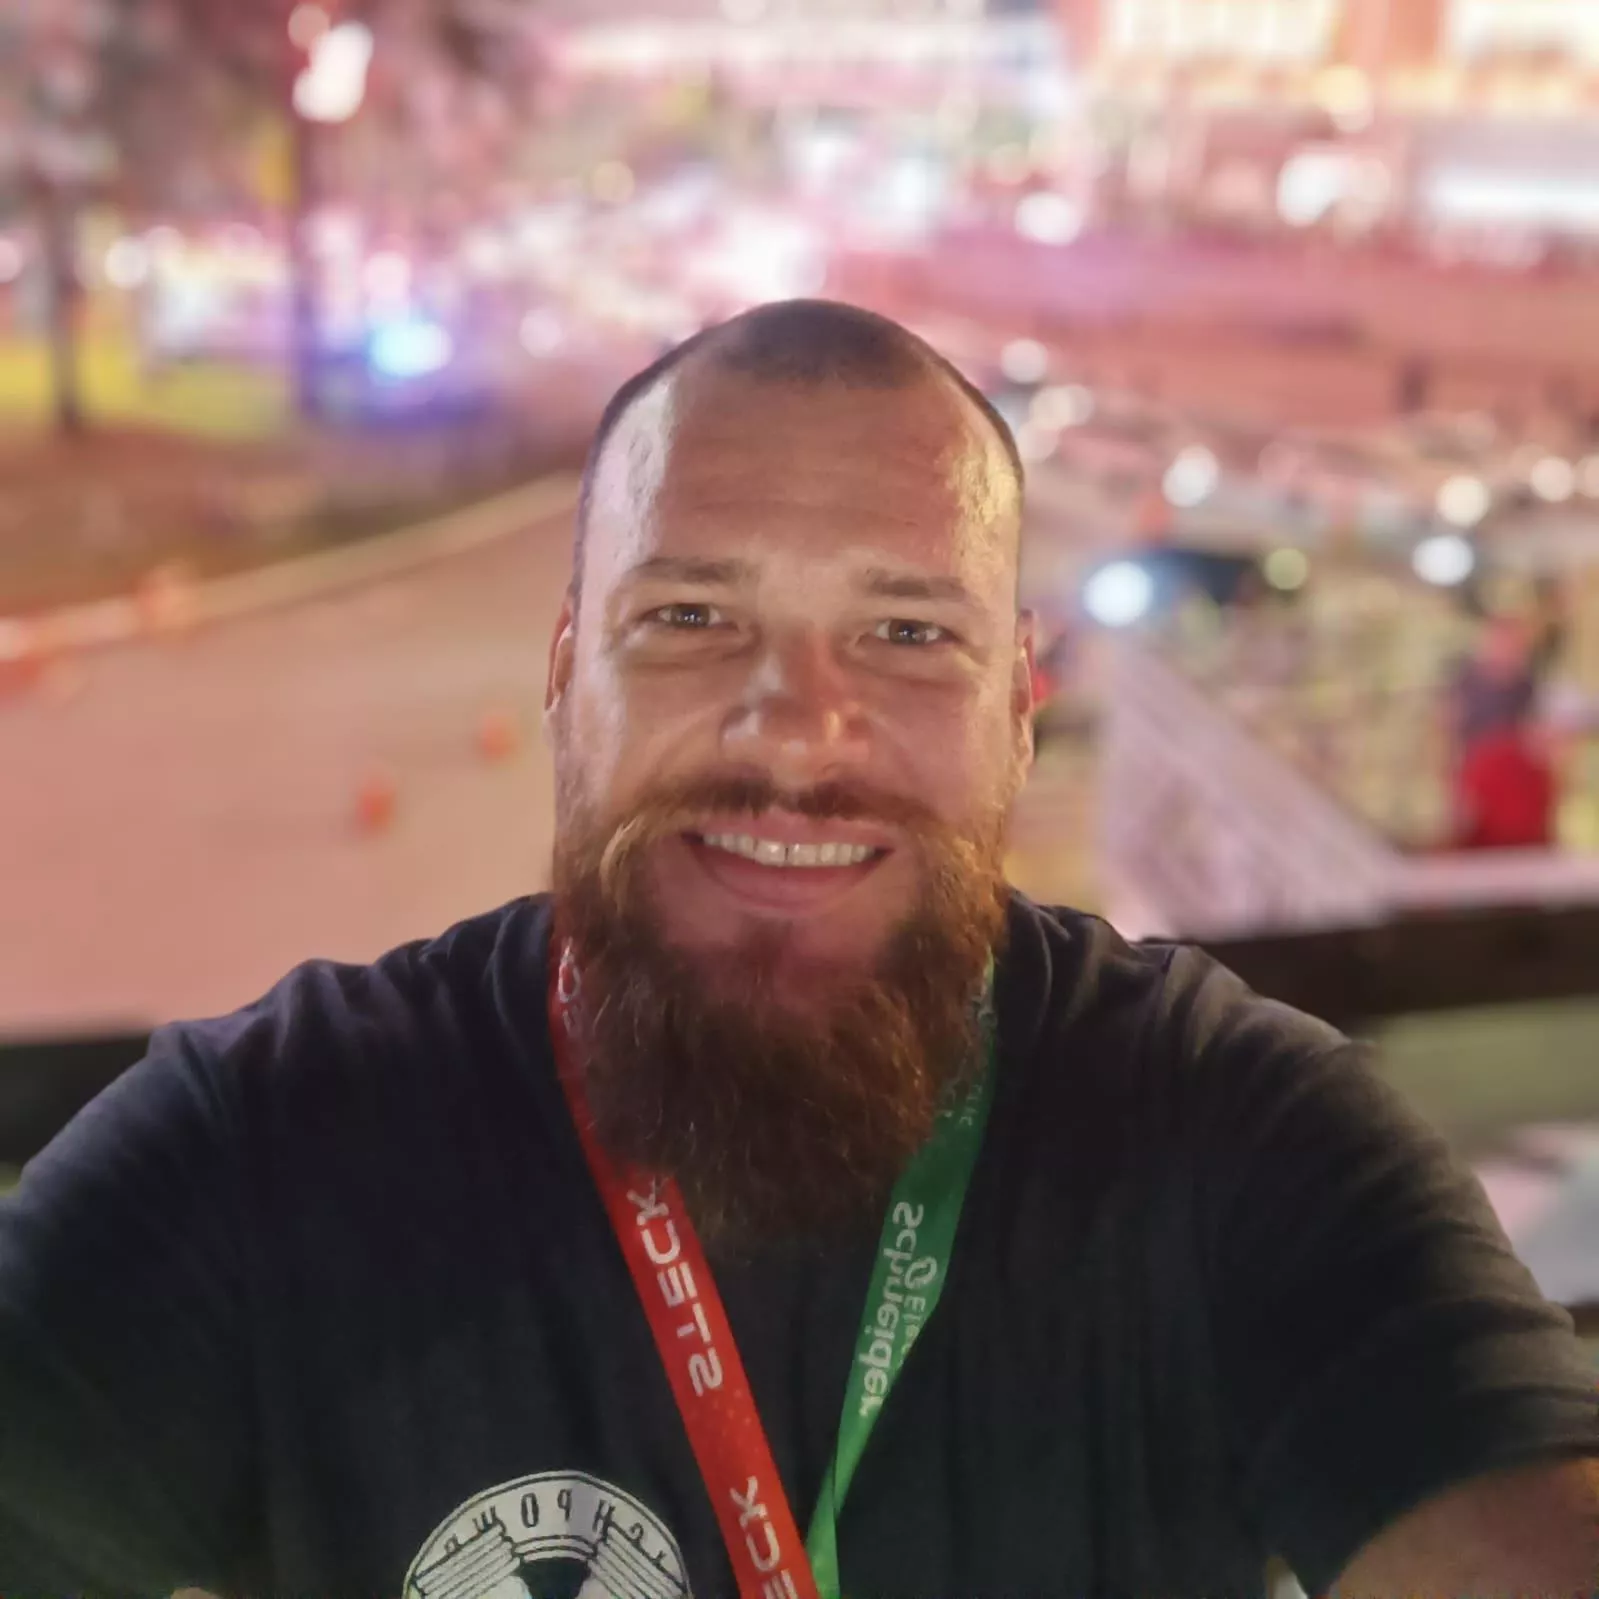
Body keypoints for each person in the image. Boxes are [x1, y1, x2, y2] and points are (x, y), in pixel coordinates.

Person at [2, 301, 1596, 1599]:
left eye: (907, 634)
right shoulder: (263, 1153)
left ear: (1018, 711)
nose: (795, 731)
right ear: (564, 676)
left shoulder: (1238, 1138)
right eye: (690, 619)